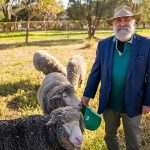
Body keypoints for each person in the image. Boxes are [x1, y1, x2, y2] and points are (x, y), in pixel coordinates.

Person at [81, 5, 150, 150]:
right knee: (109, 135)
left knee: (133, 143)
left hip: (134, 102)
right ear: (113, 23)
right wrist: (87, 94)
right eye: (118, 20)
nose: (123, 23)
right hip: (109, 102)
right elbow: (96, 72)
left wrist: (147, 101)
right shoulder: (104, 45)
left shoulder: (146, 44)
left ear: (133, 22)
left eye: (127, 19)